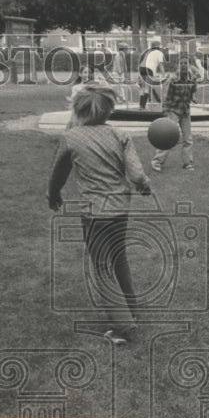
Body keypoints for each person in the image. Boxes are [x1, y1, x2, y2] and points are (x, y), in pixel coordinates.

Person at [47, 87, 152, 346]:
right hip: (120, 210)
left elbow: (58, 171)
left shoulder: (71, 138)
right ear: (110, 109)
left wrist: (53, 194)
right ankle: (131, 308)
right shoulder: (120, 134)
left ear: (78, 109)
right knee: (119, 258)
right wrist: (144, 186)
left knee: (102, 267)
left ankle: (122, 326)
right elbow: (137, 175)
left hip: (94, 213)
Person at [151, 56, 197, 173]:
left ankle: (188, 163)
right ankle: (157, 162)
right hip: (173, 112)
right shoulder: (173, 79)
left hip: (185, 112)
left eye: (185, 63)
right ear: (178, 65)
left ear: (188, 65)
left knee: (188, 139)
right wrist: (165, 111)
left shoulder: (192, 78)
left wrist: (194, 97)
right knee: (168, 137)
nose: (183, 65)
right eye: (181, 63)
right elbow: (167, 97)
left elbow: (193, 92)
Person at [138, 41, 166, 108]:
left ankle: (140, 105)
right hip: (149, 69)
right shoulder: (159, 53)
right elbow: (161, 65)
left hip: (141, 68)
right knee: (147, 88)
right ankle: (143, 106)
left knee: (143, 87)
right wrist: (164, 74)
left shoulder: (148, 52)